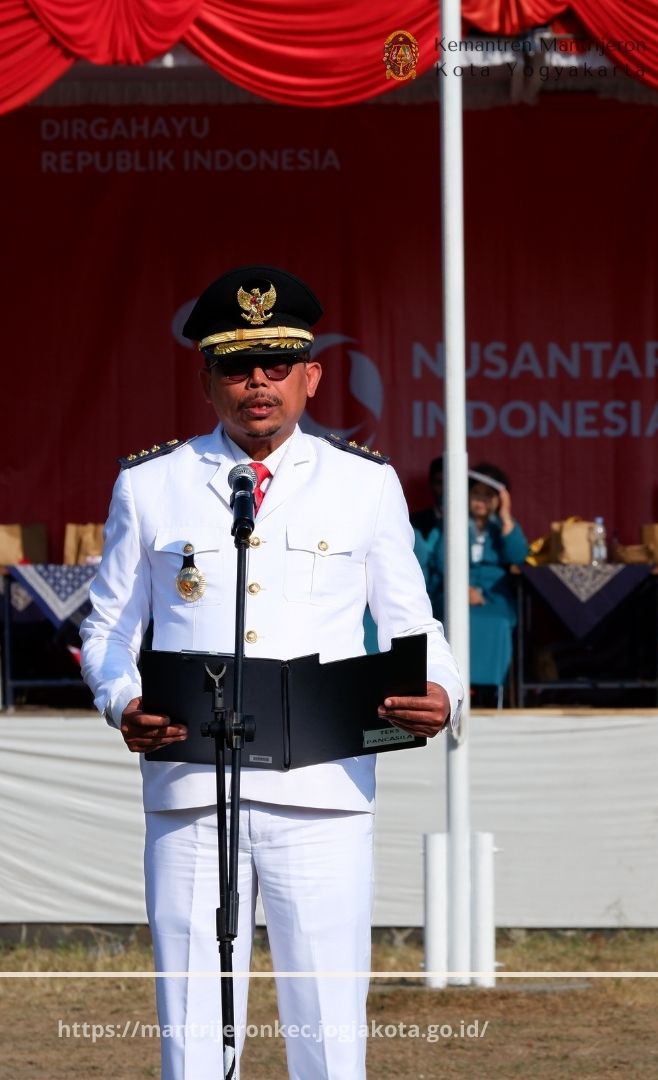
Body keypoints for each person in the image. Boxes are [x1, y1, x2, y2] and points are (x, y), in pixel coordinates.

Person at [80, 265, 462, 1080]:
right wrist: (122, 699)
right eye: (236, 366)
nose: (258, 383)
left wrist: (442, 692)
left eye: (277, 364)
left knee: (326, 1027)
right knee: (192, 1023)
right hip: (191, 785)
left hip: (322, 790)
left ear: (311, 375)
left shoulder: (365, 484)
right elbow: (108, 627)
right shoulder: (151, 485)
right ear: (207, 376)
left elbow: (411, 621)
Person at [422, 463, 528, 702]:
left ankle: (492, 693)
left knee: (499, 622)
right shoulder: (451, 523)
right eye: (476, 493)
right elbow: (440, 560)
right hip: (454, 592)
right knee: (457, 619)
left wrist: (506, 518)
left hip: (495, 595)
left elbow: (518, 556)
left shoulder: (501, 527)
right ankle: (455, 687)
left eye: (489, 496)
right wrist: (462, 589)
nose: (481, 500)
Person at [410, 453, 444, 540]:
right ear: (431, 484)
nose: (444, 488)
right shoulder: (415, 522)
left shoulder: (470, 521)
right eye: (439, 482)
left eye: (448, 482)